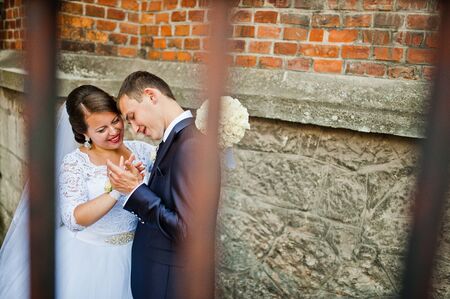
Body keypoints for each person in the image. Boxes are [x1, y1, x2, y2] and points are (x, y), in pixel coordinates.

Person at [0, 85, 155, 299]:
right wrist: (117, 190)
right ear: (83, 133)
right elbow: (74, 218)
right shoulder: (75, 164)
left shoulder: (143, 151)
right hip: (89, 258)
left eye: (115, 120)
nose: (113, 131)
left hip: (138, 254)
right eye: (101, 130)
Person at [107, 71, 218, 299]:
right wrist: (141, 184)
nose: (135, 128)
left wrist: (136, 191)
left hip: (171, 285)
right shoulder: (175, 139)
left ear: (151, 96)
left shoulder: (190, 145)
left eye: (133, 117)